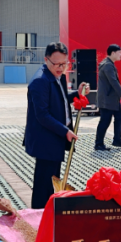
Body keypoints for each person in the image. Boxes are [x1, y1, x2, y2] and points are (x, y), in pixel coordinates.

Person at [25, 43, 90, 209]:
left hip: (56, 137)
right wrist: (65, 131)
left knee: (53, 179)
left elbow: (60, 99)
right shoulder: (40, 81)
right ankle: (39, 215)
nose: (61, 68)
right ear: (46, 60)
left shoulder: (57, 75)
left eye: (64, 64)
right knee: (43, 184)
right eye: (56, 64)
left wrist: (77, 94)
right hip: (46, 139)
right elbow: (42, 115)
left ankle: (48, 212)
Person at [95, 44, 121, 151]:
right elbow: (114, 82)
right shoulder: (108, 66)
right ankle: (99, 144)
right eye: (119, 52)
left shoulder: (109, 64)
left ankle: (117, 140)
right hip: (107, 99)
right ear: (113, 53)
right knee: (105, 121)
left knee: (120, 117)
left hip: (112, 99)